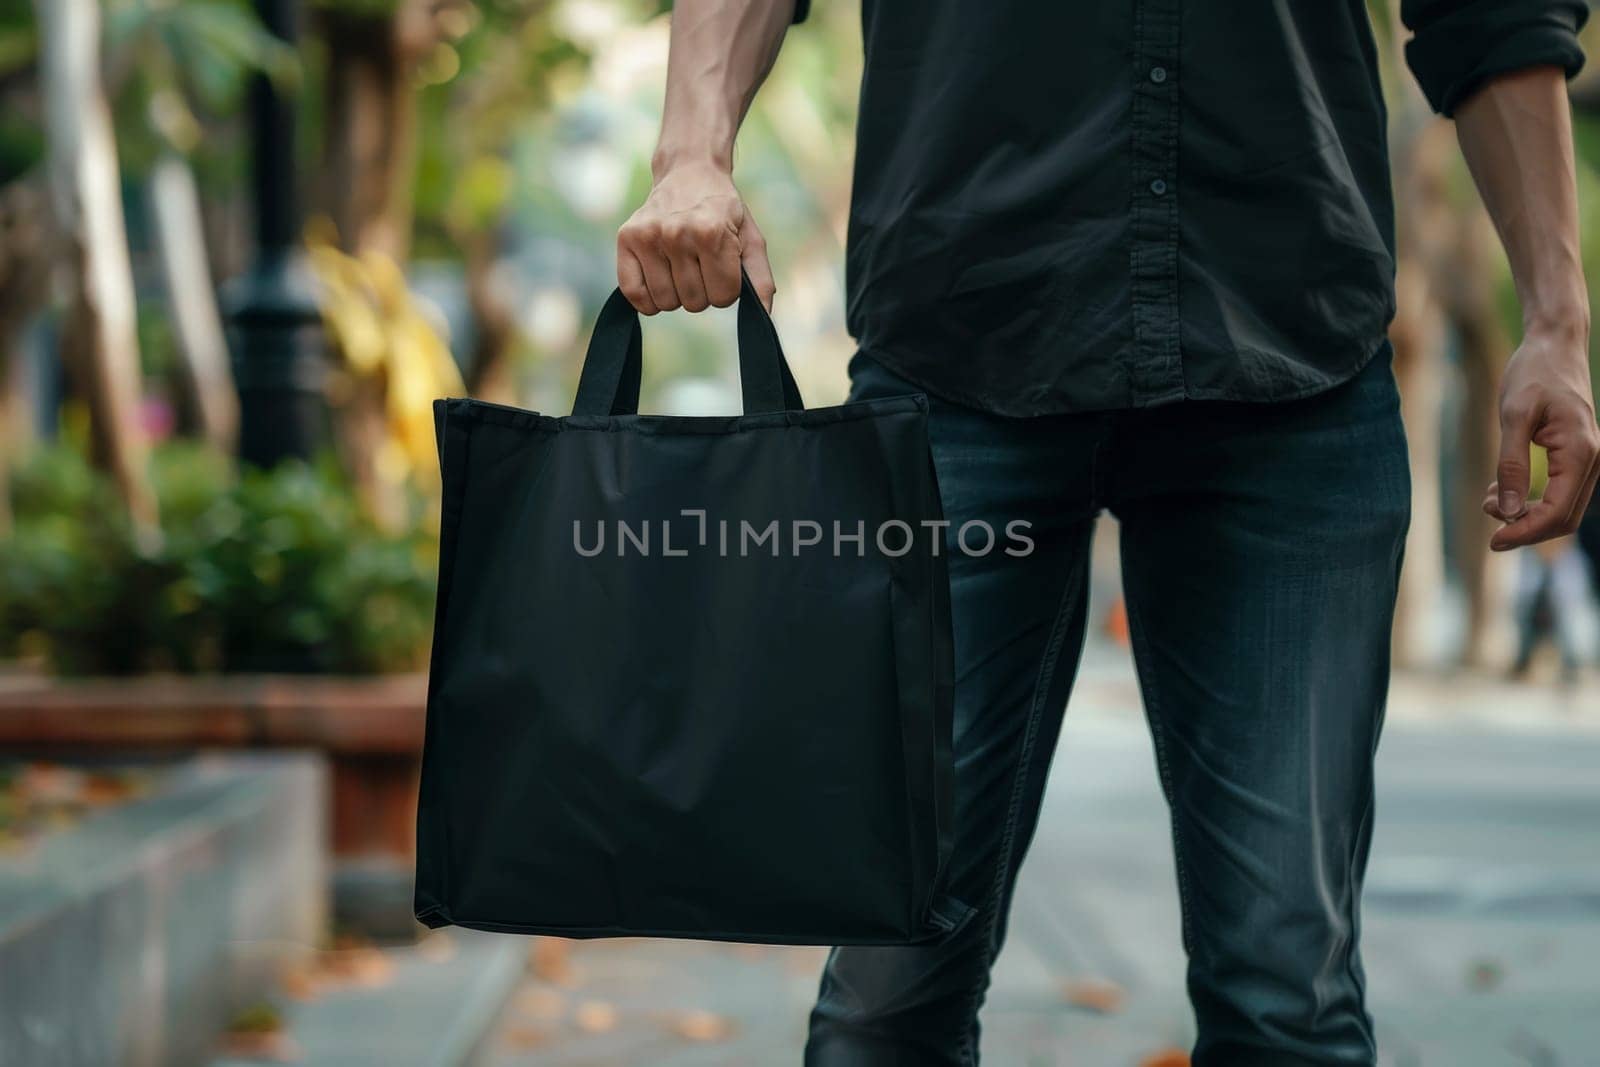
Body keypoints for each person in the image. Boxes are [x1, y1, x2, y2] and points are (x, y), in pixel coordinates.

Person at [616, 2, 1600, 1064]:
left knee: (1288, 1000)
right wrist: (689, 151)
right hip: (959, 342)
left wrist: (1555, 317)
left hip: (1285, 344)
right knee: (887, 993)